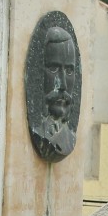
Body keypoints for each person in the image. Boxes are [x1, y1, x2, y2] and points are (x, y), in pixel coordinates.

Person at [30, 26, 77, 162]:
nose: (63, 85)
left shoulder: (70, 138)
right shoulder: (39, 131)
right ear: (39, 72)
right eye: (53, 68)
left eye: (69, 71)